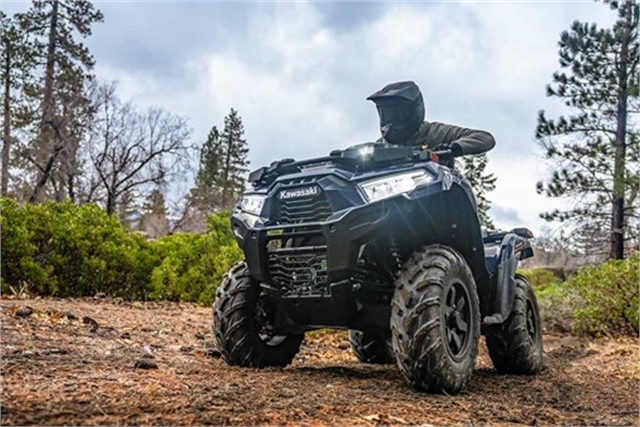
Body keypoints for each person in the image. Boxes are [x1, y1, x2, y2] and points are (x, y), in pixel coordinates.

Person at [367, 81, 495, 166]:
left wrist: (454, 148)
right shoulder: (380, 147)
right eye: (387, 113)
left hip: (437, 194)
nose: (393, 118)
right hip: (392, 197)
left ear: (414, 110)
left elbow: (485, 138)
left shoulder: (436, 132)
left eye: (399, 113)